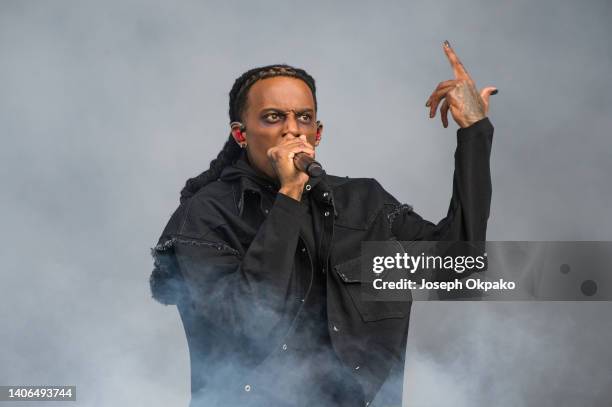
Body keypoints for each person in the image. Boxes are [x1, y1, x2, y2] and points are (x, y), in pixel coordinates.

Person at [149, 41, 496, 406]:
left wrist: (473, 133)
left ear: (318, 133)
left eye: (304, 117)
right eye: (272, 117)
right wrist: (289, 196)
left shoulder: (365, 204)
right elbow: (243, 326)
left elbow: (460, 265)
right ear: (240, 134)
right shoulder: (206, 214)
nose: (292, 130)